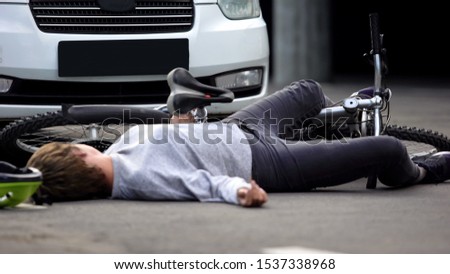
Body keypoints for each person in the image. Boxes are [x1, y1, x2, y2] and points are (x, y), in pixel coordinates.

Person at [26, 79, 450, 207]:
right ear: (81, 159)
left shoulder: (118, 157)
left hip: (239, 129)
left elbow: (177, 141)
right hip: (266, 163)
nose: (86, 145)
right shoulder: (139, 180)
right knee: (390, 150)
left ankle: (336, 137)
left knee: (308, 91)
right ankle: (426, 168)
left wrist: (180, 122)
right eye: (80, 148)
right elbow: (201, 184)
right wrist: (242, 190)